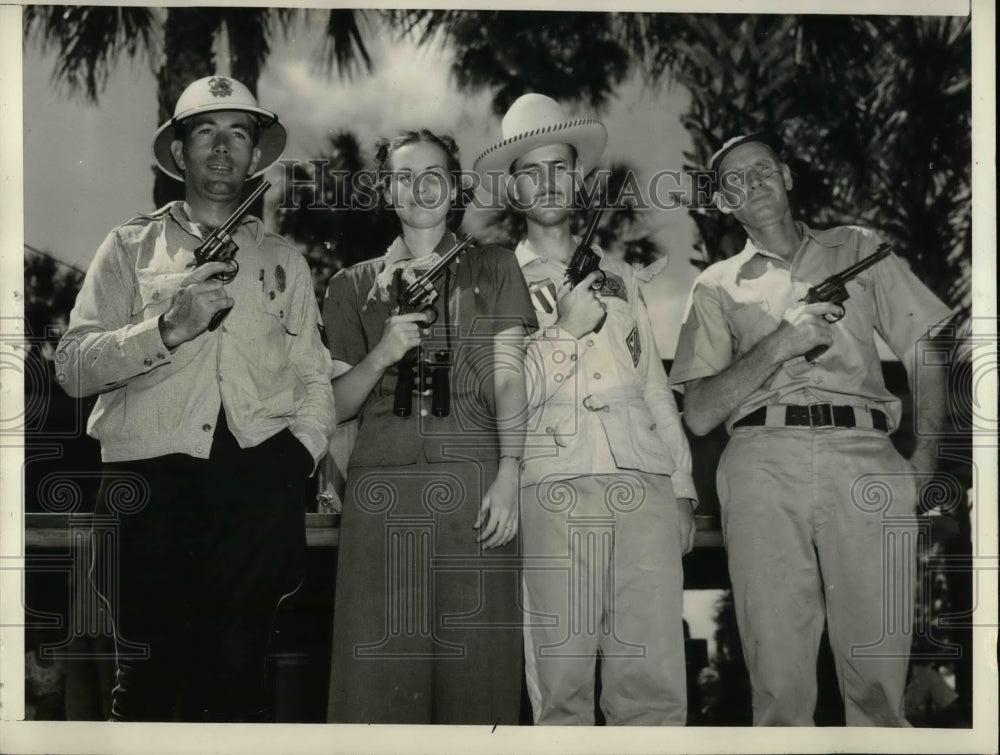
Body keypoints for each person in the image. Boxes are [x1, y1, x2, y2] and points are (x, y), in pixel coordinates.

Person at [55, 76, 336, 721]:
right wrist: (166, 328)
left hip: (255, 485)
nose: (222, 147)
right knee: (147, 686)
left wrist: (296, 457)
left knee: (240, 687)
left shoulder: (285, 261)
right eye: (205, 130)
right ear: (178, 152)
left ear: (255, 155)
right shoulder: (128, 246)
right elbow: (71, 366)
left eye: (239, 132)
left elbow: (313, 377)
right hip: (149, 483)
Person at [670, 132, 952, 726]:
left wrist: (926, 454)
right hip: (761, 461)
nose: (752, 184)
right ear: (723, 202)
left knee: (881, 678)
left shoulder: (858, 247)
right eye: (734, 181)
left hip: (866, 454)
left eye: (762, 169)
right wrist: (783, 341)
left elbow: (926, 343)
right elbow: (698, 412)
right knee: (778, 683)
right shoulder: (716, 286)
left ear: (788, 176)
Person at [474, 93, 697, 726]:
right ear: (514, 189)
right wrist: (564, 330)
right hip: (553, 485)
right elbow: (499, 390)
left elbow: (653, 384)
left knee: (652, 683)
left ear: (578, 179)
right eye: (530, 170)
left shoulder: (621, 275)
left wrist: (680, 485)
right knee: (561, 684)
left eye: (560, 167)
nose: (548, 181)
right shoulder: (492, 277)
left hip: (642, 483)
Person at [323, 129, 537, 724]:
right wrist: (381, 355)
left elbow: (509, 379)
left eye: (433, 174)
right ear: (387, 190)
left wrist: (510, 471)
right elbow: (336, 405)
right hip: (380, 497)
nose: (419, 187)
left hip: (474, 491)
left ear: (456, 185)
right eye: (403, 176)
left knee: (480, 679)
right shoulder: (350, 285)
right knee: (375, 683)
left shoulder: (495, 268)